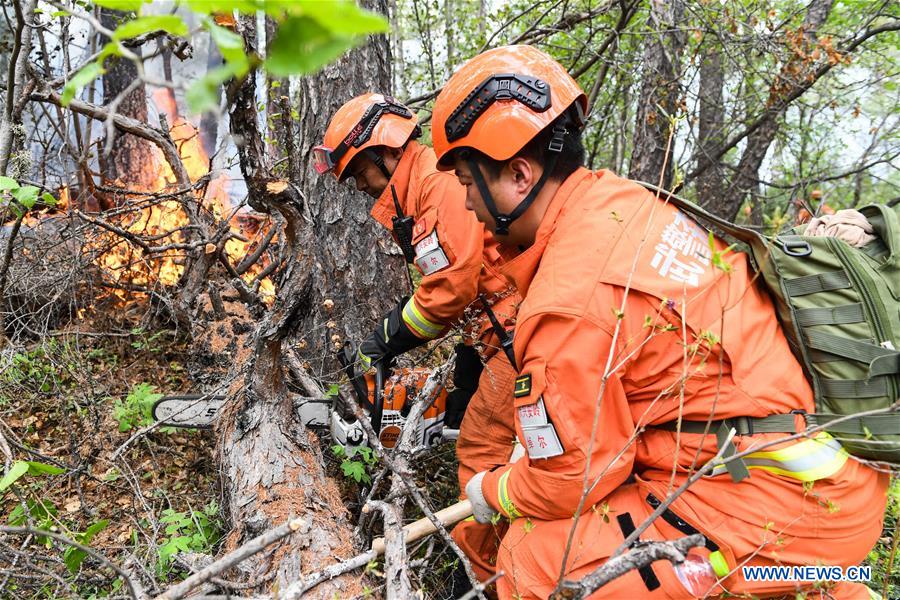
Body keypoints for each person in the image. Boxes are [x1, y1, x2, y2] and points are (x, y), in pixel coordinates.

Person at [430, 45, 888, 599]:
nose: (466, 203)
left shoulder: (567, 308)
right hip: (830, 490)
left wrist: (492, 491)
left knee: (534, 560)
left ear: (520, 174)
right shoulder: (622, 201)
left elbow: (569, 482)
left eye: (465, 180)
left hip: (782, 518)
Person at [314, 93, 521, 582]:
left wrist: (383, 339)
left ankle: (476, 577)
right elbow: (474, 281)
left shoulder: (436, 185)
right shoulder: (417, 193)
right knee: (480, 429)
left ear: (382, 151)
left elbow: (454, 284)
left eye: (359, 172)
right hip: (494, 334)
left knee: (483, 451)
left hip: (518, 333)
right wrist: (470, 358)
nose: (360, 186)